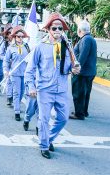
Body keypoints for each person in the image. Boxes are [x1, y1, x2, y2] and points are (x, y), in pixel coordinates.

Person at [25, 13, 81, 159]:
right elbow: (30, 69)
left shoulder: (67, 46)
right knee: (43, 119)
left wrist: (74, 69)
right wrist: (31, 86)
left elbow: (71, 66)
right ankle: (44, 145)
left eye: (60, 28)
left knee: (63, 118)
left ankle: (48, 138)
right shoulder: (40, 47)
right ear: (48, 29)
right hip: (45, 90)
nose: (57, 31)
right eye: (54, 28)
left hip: (61, 89)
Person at [70, 20, 97, 120]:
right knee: (85, 93)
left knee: (78, 93)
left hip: (83, 72)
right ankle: (83, 111)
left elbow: (82, 56)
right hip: (88, 71)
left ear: (80, 30)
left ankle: (79, 114)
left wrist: (76, 68)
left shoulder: (86, 39)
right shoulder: (90, 38)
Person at [3, 25, 30, 121]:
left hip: (25, 73)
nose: (20, 38)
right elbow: (6, 61)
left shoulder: (26, 46)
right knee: (16, 92)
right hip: (14, 74)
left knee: (22, 93)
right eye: (18, 36)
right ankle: (17, 111)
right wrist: (6, 71)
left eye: (22, 36)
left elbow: (30, 59)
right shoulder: (11, 48)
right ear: (15, 37)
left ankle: (16, 104)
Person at [0, 24, 13, 106]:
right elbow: (1, 55)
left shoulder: (19, 43)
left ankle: (14, 97)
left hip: (16, 66)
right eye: (9, 33)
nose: (11, 34)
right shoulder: (4, 44)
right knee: (9, 81)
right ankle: (9, 96)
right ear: (7, 34)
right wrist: (8, 59)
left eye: (12, 32)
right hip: (8, 65)